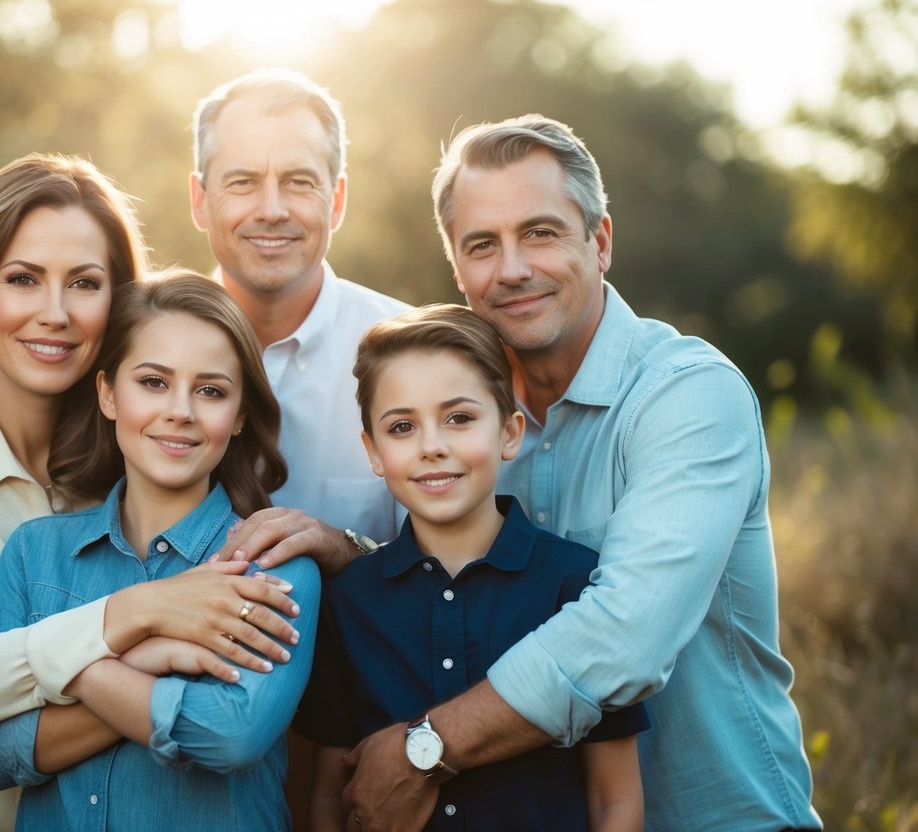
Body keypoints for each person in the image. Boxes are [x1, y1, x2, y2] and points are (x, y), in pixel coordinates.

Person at [338, 116, 822, 831]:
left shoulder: (687, 396)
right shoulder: (472, 425)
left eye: (539, 232)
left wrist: (424, 748)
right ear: (458, 269)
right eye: (481, 245)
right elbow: (475, 580)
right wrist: (352, 560)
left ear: (598, 242)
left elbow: (623, 638)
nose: (510, 269)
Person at [0, 155, 302, 832]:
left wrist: (343, 544)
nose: (54, 314)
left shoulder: (148, 443)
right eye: (22, 280)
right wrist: (140, 619)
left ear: (116, 302)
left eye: (84, 283)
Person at [0, 272, 320, 831]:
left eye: (210, 391)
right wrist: (148, 658)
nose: (180, 410)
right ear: (108, 393)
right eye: (153, 382)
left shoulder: (272, 564)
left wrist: (71, 666)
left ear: (240, 416)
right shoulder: (35, 554)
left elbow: (229, 735)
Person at [294, 304, 648, 831]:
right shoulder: (348, 601)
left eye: (459, 418)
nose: (432, 447)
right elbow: (326, 796)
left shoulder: (575, 584)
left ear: (509, 432)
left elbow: (614, 799)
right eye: (402, 426)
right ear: (372, 450)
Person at [188, 68, 412, 570]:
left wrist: (347, 548)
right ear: (200, 200)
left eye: (299, 181)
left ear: (336, 201)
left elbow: (449, 568)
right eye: (243, 182)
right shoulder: (139, 350)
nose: (271, 209)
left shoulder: (413, 357)